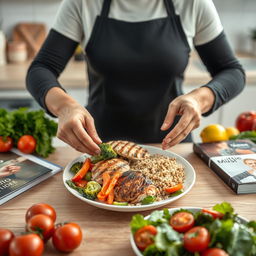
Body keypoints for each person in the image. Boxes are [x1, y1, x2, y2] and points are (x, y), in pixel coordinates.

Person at [26, 0, 245, 155]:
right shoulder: (82, 3)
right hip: (100, 149)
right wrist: (65, 107)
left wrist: (199, 99)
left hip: (172, 150)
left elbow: (232, 71)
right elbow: (41, 68)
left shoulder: (193, 3)